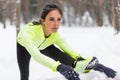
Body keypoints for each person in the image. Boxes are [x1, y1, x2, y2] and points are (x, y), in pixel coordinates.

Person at [17, 3, 116, 80]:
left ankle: (82, 67)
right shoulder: (28, 33)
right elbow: (36, 55)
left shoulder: (55, 35)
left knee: (66, 58)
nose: (56, 24)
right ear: (43, 20)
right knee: (24, 74)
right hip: (24, 47)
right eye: (51, 19)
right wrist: (58, 67)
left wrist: (92, 65)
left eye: (59, 19)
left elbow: (71, 52)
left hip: (45, 45)